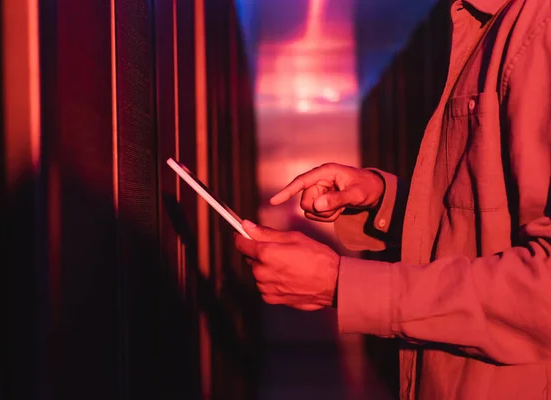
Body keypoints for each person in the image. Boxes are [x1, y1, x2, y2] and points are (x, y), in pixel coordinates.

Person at [234, 0, 551, 398]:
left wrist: (341, 286)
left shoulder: (540, 29)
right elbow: (491, 223)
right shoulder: (484, 26)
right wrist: (384, 200)